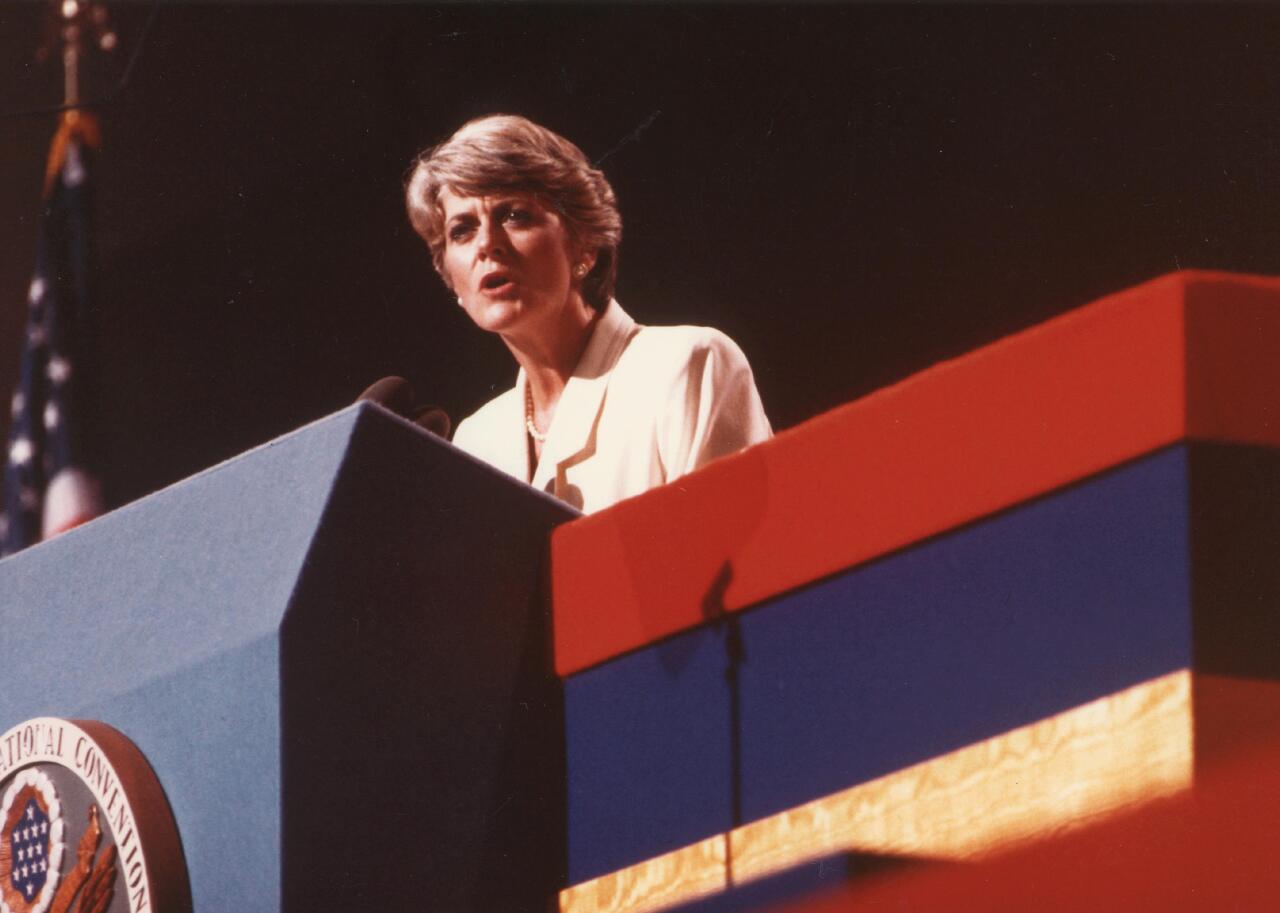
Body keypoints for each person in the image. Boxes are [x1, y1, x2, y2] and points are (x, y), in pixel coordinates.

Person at [405, 114, 771, 513]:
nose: (487, 244)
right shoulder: (477, 440)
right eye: (462, 230)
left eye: (514, 215)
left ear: (585, 247)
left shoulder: (686, 366)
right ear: (452, 283)